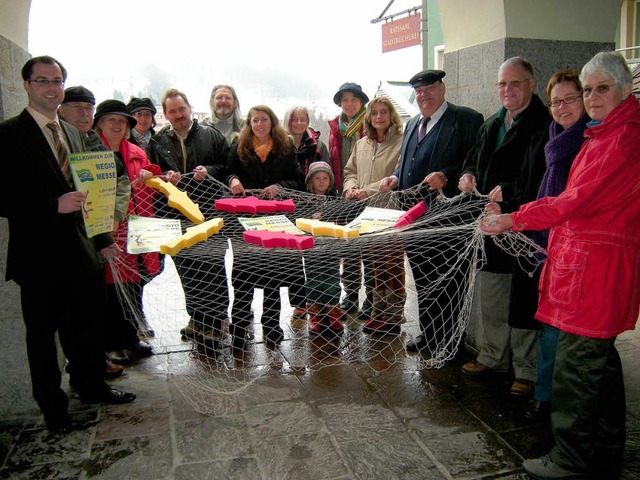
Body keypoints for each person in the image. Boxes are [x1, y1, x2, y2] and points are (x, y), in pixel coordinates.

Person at [479, 51, 639, 480]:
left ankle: (570, 456)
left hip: (594, 270)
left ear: (624, 90)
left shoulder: (620, 139)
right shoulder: (604, 134)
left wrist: (514, 217)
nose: (591, 97)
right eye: (588, 90)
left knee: (575, 366)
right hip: (590, 265)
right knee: (599, 363)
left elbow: (575, 201)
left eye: (601, 88)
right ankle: (604, 444)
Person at [0, 55, 135, 434]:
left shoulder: (73, 133)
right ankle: (54, 413)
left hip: (83, 251)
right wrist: (51, 206)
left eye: (57, 81)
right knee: (42, 339)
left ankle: (93, 387)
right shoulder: (9, 134)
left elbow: (89, 191)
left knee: (87, 327)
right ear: (26, 85)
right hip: (39, 257)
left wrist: (105, 239)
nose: (51, 88)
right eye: (42, 81)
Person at [458, 57, 550, 396]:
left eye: (515, 83)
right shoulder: (492, 124)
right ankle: (493, 355)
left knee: (524, 300)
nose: (507, 90)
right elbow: (473, 159)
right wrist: (468, 174)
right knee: (492, 293)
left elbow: (543, 179)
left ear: (531, 84)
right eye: (502, 84)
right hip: (491, 226)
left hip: (526, 226)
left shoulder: (544, 124)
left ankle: (525, 369)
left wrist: (509, 197)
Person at [379, 69, 484, 354]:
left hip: (448, 218)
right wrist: (395, 178)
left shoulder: (466, 119)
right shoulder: (413, 123)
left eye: (429, 89)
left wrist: (447, 175)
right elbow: (406, 163)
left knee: (449, 280)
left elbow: (474, 162)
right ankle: (429, 332)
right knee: (423, 278)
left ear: (442, 88)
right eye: (419, 92)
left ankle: (451, 340)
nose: (424, 96)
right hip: (415, 218)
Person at [506, 70, 590, 421]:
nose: (561, 107)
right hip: (548, 244)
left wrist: (515, 218)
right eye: (555, 101)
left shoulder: (587, 143)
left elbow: (570, 201)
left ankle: (555, 402)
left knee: (566, 334)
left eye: (570, 99)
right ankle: (546, 394)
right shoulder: (554, 138)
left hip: (575, 248)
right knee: (549, 326)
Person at [59, 86, 132, 377]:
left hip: (96, 236)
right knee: (75, 310)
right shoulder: (59, 141)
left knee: (93, 304)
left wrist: (111, 219)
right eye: (77, 107)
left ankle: (93, 363)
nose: (85, 114)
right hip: (63, 239)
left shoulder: (94, 144)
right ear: (62, 110)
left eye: (89, 108)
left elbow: (119, 181)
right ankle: (85, 368)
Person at [147, 88, 230, 343]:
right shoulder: (157, 142)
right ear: (166, 114)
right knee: (187, 269)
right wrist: (164, 178)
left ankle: (216, 322)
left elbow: (228, 168)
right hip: (176, 217)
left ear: (189, 108)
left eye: (181, 109)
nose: (178, 115)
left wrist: (210, 171)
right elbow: (153, 176)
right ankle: (196, 318)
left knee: (212, 267)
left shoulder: (211, 135)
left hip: (208, 214)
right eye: (172, 111)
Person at [226, 105, 305, 348]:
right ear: (249, 124)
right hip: (246, 221)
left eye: (264, 119)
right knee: (244, 276)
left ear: (272, 122)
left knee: (273, 275)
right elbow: (227, 173)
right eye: (254, 120)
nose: (259, 124)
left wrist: (279, 186)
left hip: (276, 220)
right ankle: (238, 328)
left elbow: (298, 180)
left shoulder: (286, 146)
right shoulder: (238, 146)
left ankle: (272, 326)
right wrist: (234, 180)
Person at [93, 99, 162, 364]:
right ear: (99, 124)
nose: (118, 125)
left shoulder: (135, 151)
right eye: (112, 120)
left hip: (138, 229)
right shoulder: (91, 153)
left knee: (133, 287)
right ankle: (111, 343)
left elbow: (150, 182)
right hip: (109, 231)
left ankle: (129, 338)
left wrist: (153, 173)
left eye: (122, 122)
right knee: (109, 291)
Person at [343, 96, 404, 334]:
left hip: (390, 211)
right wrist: (350, 188)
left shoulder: (401, 142)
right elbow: (350, 171)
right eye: (375, 113)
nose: (379, 117)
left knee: (393, 265)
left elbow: (396, 177)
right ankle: (379, 313)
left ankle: (393, 317)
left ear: (391, 116)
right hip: (366, 213)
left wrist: (363, 191)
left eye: (384, 112)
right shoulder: (362, 144)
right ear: (368, 117)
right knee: (377, 264)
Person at [283, 105, 331, 318]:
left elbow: (326, 169)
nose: (299, 123)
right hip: (289, 201)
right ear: (288, 121)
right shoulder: (281, 143)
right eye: (295, 119)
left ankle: (322, 301)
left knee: (316, 254)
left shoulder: (318, 144)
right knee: (292, 256)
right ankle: (300, 301)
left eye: (303, 119)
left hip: (313, 200)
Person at [328, 82, 370, 316]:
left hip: (369, 193)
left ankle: (372, 297)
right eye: (345, 100)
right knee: (349, 247)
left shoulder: (371, 122)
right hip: (343, 193)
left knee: (371, 248)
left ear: (362, 102)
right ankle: (351, 294)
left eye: (353, 99)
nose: (349, 104)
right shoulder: (336, 127)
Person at [302, 161, 344, 334]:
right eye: (317, 178)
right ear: (310, 181)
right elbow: (298, 218)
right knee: (313, 280)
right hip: (312, 250)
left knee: (332, 279)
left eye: (325, 178)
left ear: (330, 181)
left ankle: (333, 312)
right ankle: (316, 315)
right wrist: (310, 217)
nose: (321, 182)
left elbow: (342, 218)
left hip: (331, 249)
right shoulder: (304, 200)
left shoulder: (335, 199)